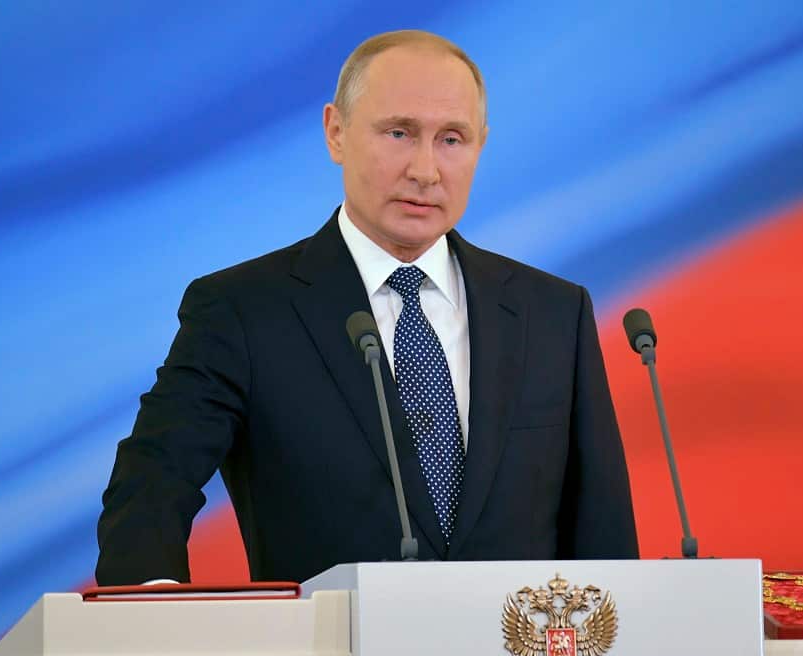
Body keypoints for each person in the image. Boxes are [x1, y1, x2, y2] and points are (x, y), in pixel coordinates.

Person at [95, 30, 638, 586]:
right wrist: (148, 613)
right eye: (399, 133)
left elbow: (603, 531)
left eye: (452, 139)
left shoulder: (552, 312)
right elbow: (152, 482)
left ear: (481, 146)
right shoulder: (242, 311)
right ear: (336, 132)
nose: (426, 171)